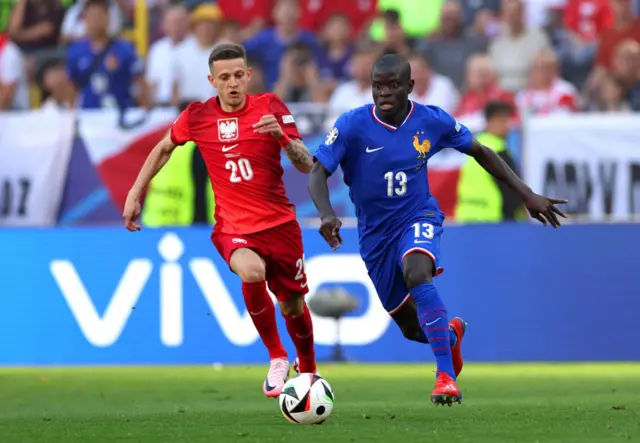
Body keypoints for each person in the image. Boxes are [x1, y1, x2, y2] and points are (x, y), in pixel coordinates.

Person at [308, 53, 568, 406]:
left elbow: (481, 150)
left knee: (417, 271)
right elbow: (316, 172)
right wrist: (325, 214)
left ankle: (445, 377)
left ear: (410, 87)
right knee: (414, 329)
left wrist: (527, 194)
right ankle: (450, 336)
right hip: (374, 236)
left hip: (418, 216)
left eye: (393, 86)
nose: (384, 94)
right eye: (377, 87)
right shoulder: (352, 125)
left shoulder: (431, 120)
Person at [122, 43, 317, 398]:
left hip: (280, 225)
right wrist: (136, 192)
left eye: (238, 75)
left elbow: (307, 164)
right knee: (251, 271)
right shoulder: (198, 116)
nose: (232, 83)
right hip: (234, 227)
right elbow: (164, 147)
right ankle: (276, 355)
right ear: (212, 80)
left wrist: (283, 138)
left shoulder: (270, 106)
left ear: (249, 76)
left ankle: (310, 370)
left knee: (292, 305)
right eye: (224, 77)